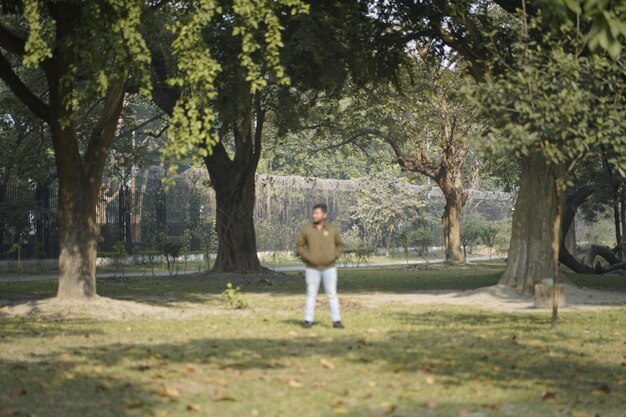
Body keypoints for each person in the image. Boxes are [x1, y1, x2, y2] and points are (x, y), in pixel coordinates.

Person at [296, 203, 345, 329]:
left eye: (317, 213)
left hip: (330, 267)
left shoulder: (332, 230)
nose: (314, 215)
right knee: (311, 294)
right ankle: (308, 320)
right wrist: (309, 257)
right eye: (313, 213)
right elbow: (300, 246)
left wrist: (333, 256)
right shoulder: (307, 230)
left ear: (324, 214)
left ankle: (336, 321)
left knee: (332, 294)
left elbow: (340, 245)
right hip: (312, 268)